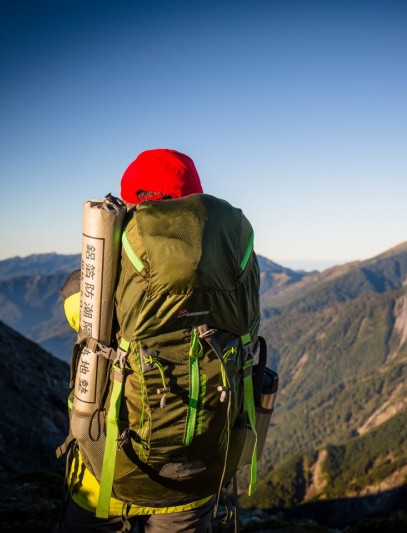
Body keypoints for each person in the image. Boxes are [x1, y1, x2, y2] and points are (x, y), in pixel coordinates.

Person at [55, 149, 249, 533]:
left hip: (108, 465)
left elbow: (77, 309)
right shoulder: (232, 258)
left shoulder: (120, 250)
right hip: (195, 474)